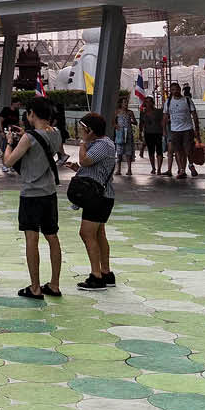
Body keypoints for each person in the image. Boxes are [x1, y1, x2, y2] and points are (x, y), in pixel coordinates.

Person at [4, 97, 64, 301]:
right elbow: (42, 143)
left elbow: (9, 161)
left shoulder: (28, 138)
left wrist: (10, 143)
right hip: (49, 193)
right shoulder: (56, 133)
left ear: (31, 114)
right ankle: (54, 285)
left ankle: (35, 287)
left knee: (32, 238)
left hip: (31, 194)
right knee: (52, 237)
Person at [67, 112, 118, 291]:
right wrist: (77, 169)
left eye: (83, 129)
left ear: (90, 130)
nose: (81, 132)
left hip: (98, 197)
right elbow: (93, 167)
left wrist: (82, 144)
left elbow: (85, 160)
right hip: (102, 196)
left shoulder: (102, 144)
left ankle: (96, 276)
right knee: (98, 234)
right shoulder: (103, 144)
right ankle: (105, 272)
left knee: (86, 233)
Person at [164, 82, 198, 178]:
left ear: (180, 89)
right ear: (171, 91)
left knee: (188, 150)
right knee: (178, 151)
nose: (175, 91)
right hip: (175, 130)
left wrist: (197, 129)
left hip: (187, 129)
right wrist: (164, 130)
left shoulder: (187, 100)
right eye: (173, 90)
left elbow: (194, 115)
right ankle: (182, 170)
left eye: (177, 89)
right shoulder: (168, 101)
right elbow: (165, 116)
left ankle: (191, 165)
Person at [139, 95, 165, 174]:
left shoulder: (158, 111)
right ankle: (153, 168)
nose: (148, 103)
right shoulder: (143, 112)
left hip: (157, 132)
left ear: (152, 103)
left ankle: (159, 169)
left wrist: (164, 131)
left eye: (149, 101)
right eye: (146, 102)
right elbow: (141, 123)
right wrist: (140, 133)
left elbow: (162, 122)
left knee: (159, 151)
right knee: (151, 151)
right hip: (148, 133)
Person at [113, 94, 136, 177]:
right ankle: (118, 169)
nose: (126, 104)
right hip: (120, 134)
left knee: (128, 152)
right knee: (119, 151)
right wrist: (117, 126)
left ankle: (129, 169)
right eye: (124, 103)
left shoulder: (130, 112)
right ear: (121, 104)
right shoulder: (117, 112)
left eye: (126, 103)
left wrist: (131, 121)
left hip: (128, 133)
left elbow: (135, 122)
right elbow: (113, 122)